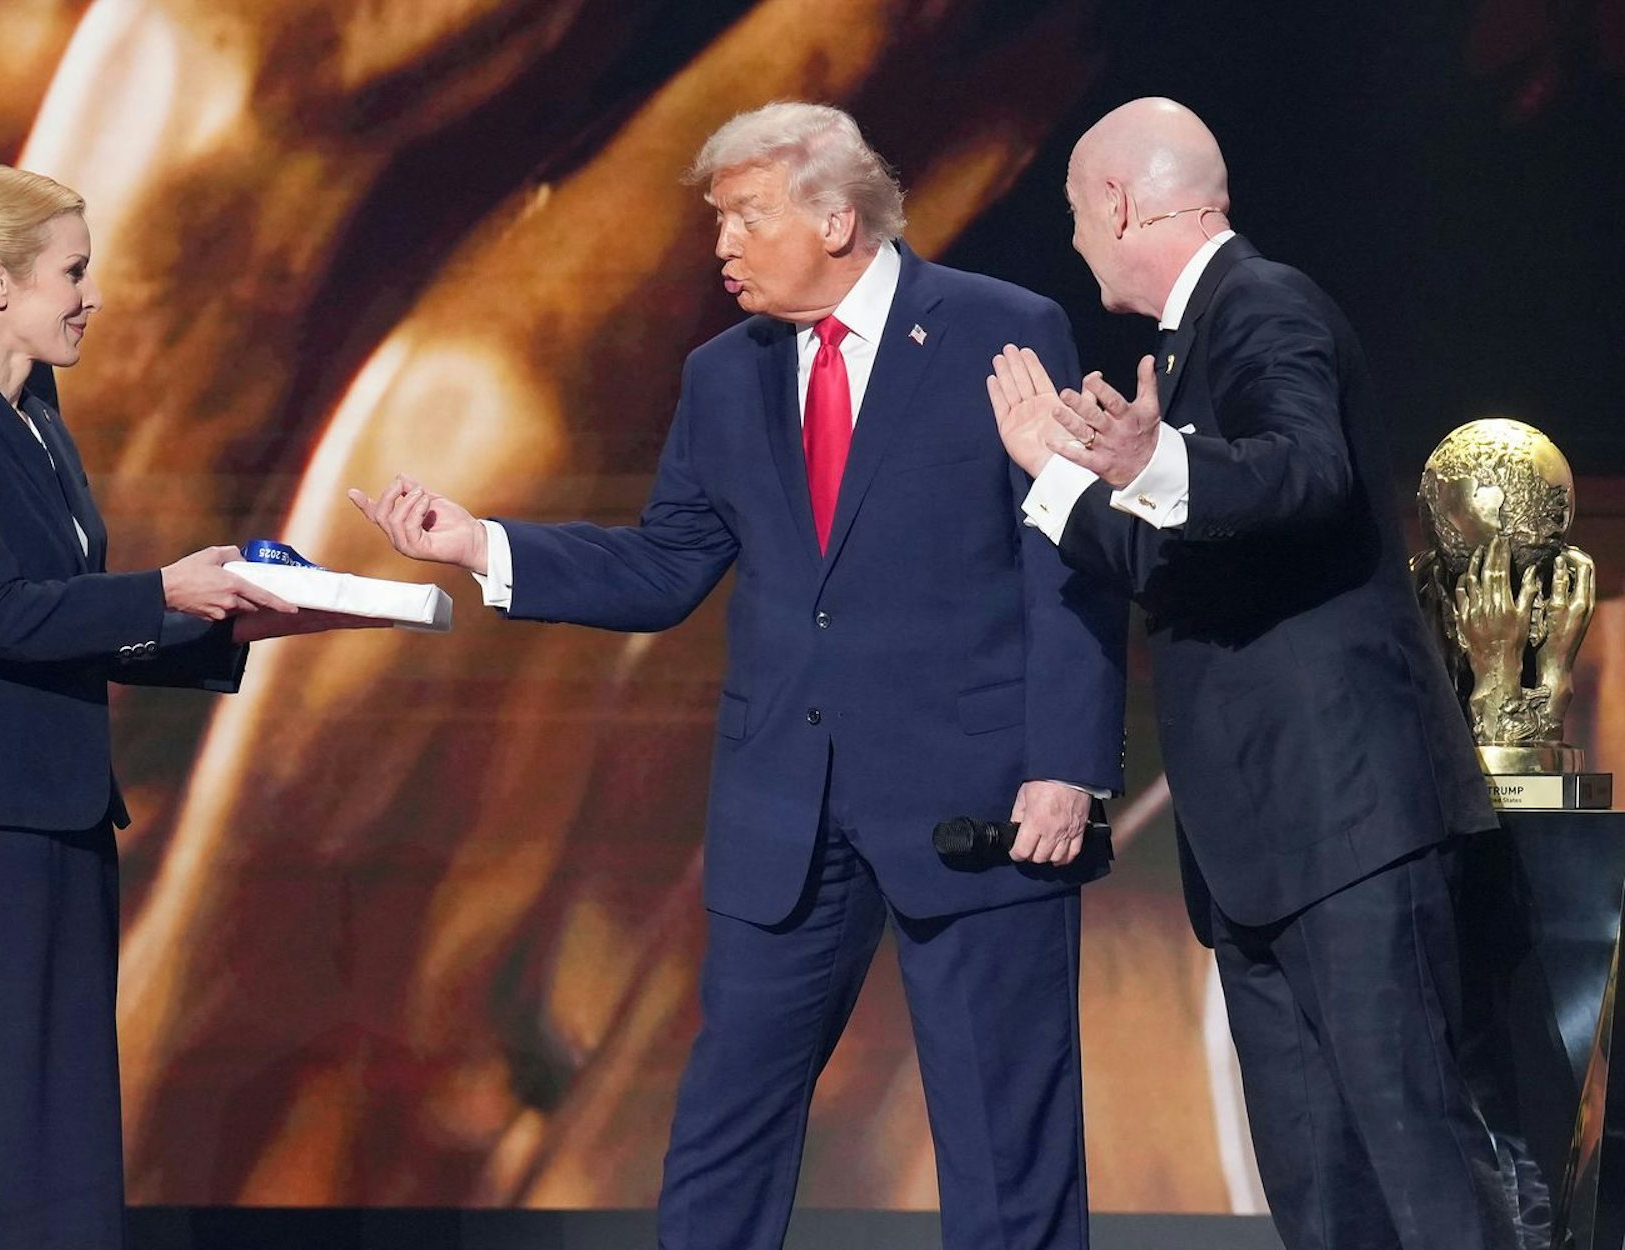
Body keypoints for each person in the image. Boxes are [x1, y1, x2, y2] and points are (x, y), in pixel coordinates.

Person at [353, 101, 1126, 1250]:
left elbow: (1061, 564)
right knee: (725, 1125)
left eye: (743, 217)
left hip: (975, 799)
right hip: (787, 807)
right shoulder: (722, 376)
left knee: (1004, 1139)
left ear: (833, 217)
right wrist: (483, 547)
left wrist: (1064, 766)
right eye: (716, 220)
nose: (719, 245)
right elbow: (667, 565)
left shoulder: (997, 332)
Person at [989, 97, 1516, 1250]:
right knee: (1317, 1188)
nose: (1073, 239)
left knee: (1415, 1154)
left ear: (1119, 202)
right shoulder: (1181, 349)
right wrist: (1059, 476)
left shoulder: (1262, 302)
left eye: (1075, 212)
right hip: (1256, 848)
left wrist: (1155, 456)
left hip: (1345, 824)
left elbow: (1304, 471)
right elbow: (1165, 555)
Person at [0, 163, 367, 1249]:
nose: (93, 296)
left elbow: (77, 627)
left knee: (73, 1133)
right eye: (73, 273)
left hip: (63, 811)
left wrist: (227, 628)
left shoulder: (40, 422)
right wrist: (164, 587)